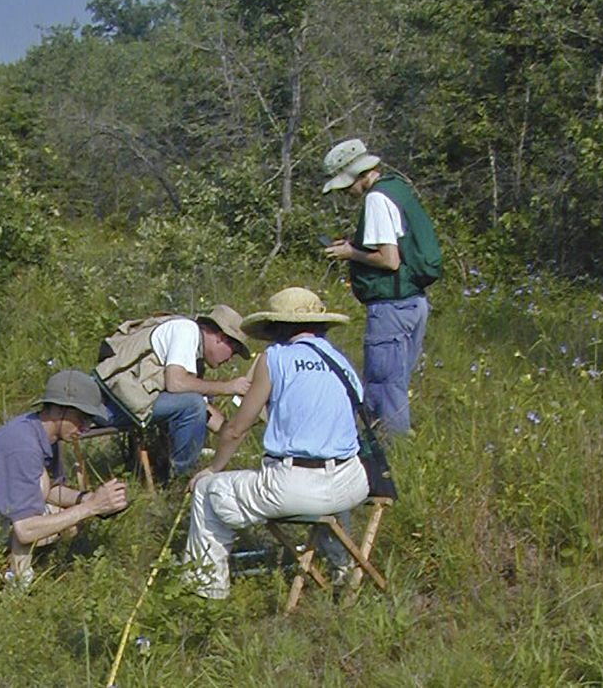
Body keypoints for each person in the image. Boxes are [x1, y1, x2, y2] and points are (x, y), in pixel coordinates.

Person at [182, 287, 368, 599]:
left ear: (276, 327)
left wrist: (213, 468)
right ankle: (343, 571)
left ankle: (206, 591)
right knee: (328, 494)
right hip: (351, 483)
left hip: (295, 487)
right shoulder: (341, 361)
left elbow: (237, 429)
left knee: (207, 492)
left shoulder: (276, 359)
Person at [0, 370, 129, 587]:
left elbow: (53, 491)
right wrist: (91, 507)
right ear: (60, 409)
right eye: (82, 418)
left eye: (90, 420)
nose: (85, 427)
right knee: (38, 490)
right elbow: (25, 529)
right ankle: (19, 584)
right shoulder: (23, 446)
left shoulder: (44, 437)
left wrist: (88, 499)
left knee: (66, 520)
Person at [321, 139, 431, 436]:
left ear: (358, 175)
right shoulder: (397, 188)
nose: (346, 194)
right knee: (396, 384)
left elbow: (389, 259)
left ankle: (388, 461)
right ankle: (385, 449)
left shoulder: (376, 199)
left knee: (384, 389)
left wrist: (349, 253)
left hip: (392, 307)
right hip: (414, 303)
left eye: (345, 186)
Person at [94, 305, 252, 476]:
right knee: (193, 404)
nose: (229, 359)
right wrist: (227, 387)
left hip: (125, 403)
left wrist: (231, 430)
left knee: (194, 403)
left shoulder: (194, 354)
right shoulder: (186, 330)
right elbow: (176, 384)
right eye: (233, 352)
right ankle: (181, 477)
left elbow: (200, 407)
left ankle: (173, 475)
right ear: (221, 338)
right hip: (106, 404)